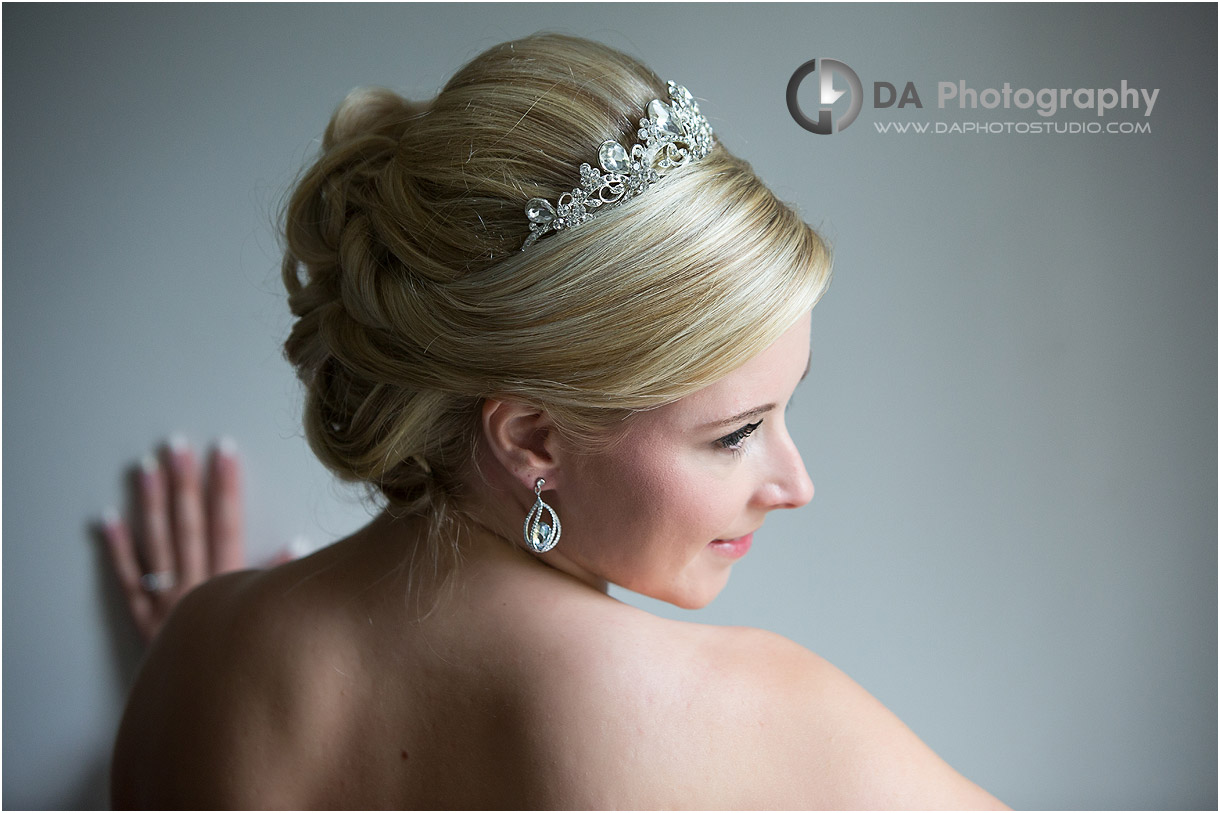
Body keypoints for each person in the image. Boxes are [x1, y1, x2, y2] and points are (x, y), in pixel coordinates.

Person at [108, 33, 1007, 809]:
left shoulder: (194, 660)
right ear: (531, 436)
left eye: (783, 412)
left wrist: (205, 636)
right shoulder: (742, 716)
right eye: (735, 433)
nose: (795, 484)